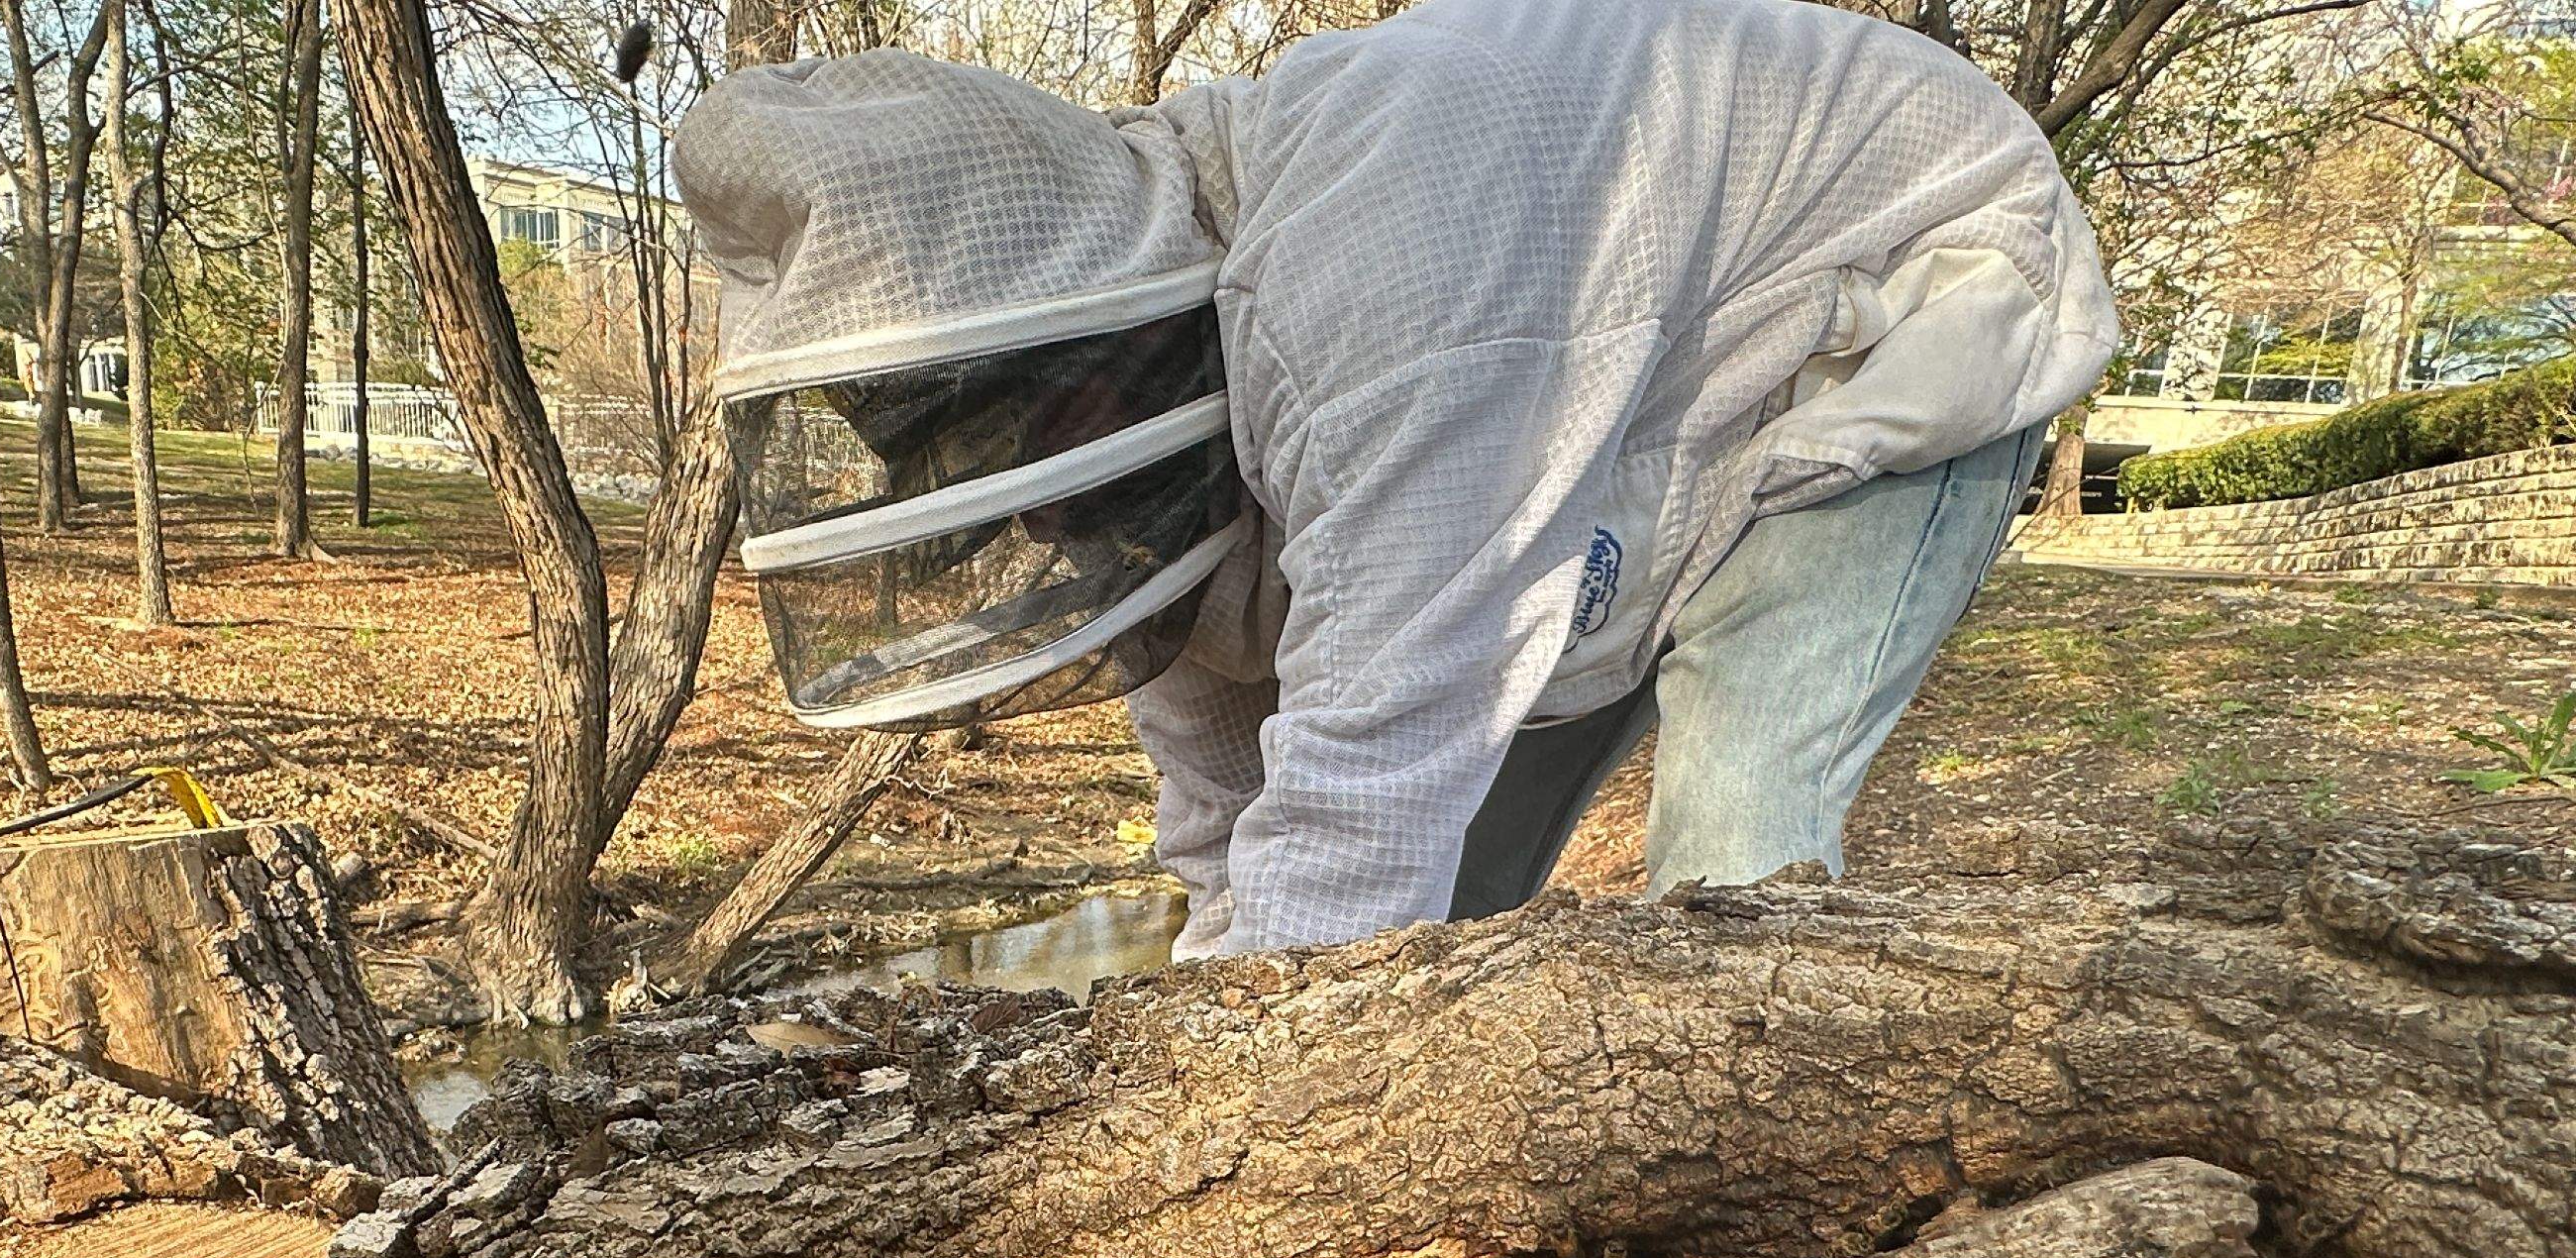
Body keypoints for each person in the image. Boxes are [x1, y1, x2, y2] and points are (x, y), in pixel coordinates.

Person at [673, 0, 2115, 957]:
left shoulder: (1378, 310)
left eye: (1022, 458)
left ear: (1093, 361)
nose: (1038, 512)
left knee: (1729, 871)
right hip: (1608, 374)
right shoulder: (1152, 439)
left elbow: (1364, 800)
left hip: (1902, 284)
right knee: (1452, 905)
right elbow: (1234, 815)